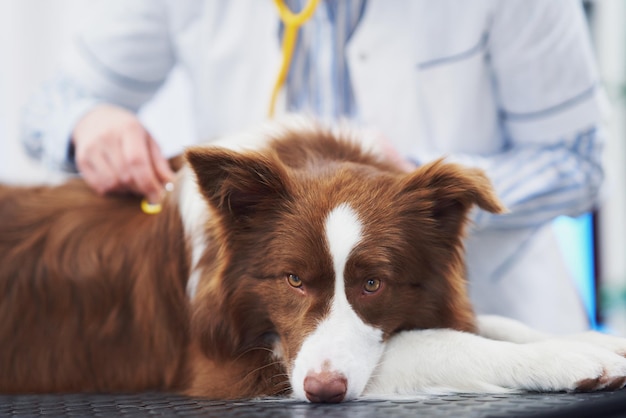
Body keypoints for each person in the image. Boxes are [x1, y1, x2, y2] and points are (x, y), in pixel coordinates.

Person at [21, 0, 607, 334]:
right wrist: (87, 123)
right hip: (287, 344)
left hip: (492, 320)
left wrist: (424, 196)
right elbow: (50, 104)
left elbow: (579, 159)